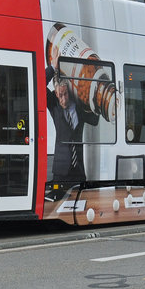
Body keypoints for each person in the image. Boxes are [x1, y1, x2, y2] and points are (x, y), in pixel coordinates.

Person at [46, 65, 98, 194]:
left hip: (78, 170)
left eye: (65, 94)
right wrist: (52, 67)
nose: (63, 99)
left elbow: (95, 120)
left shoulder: (79, 104)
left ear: (69, 90)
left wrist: (92, 98)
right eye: (60, 95)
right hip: (61, 170)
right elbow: (37, 84)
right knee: (56, 205)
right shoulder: (54, 104)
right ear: (56, 94)